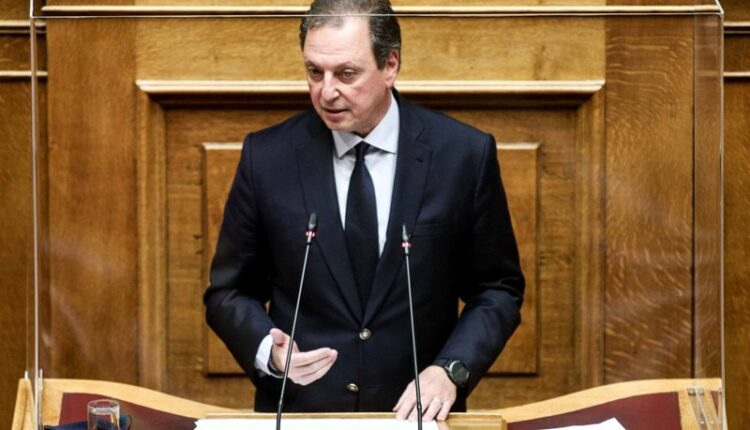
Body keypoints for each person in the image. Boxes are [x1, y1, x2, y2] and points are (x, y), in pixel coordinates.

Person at [204, 0, 524, 422]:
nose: (326, 91)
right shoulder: (267, 158)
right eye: (314, 72)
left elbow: (497, 289)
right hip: (304, 416)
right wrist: (271, 351)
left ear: (390, 65)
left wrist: (450, 370)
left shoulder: (462, 155)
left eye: (346, 74)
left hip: (415, 418)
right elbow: (229, 292)